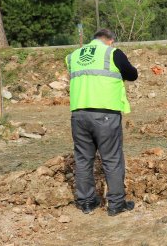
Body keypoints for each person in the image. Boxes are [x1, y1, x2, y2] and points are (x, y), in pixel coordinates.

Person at [66, 29, 137, 216]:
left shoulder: (73, 56)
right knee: (112, 159)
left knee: (82, 160)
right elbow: (132, 74)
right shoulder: (112, 52)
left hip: (79, 114)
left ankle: (86, 203)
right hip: (105, 114)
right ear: (110, 40)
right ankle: (116, 204)